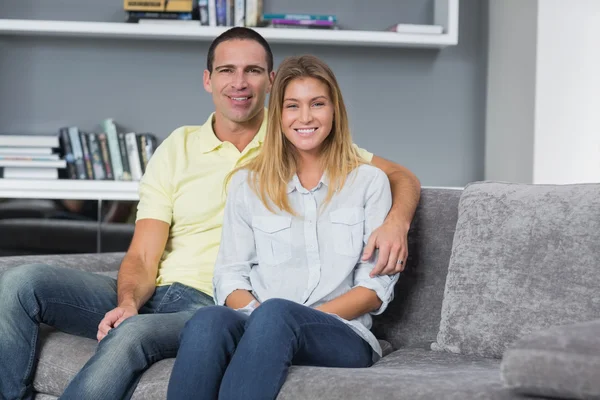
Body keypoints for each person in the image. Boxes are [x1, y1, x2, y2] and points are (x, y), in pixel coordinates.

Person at [0, 27, 419, 400]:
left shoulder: (304, 141)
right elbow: (146, 256)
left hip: (217, 302)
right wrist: (128, 301)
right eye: (226, 71)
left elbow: (396, 176)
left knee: (155, 332)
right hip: (180, 294)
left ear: (270, 82)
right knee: (19, 282)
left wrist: (396, 221)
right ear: (208, 79)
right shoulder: (188, 152)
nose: (239, 83)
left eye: (253, 71)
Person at [167, 54, 398, 400]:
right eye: (292, 106)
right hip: (263, 322)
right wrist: (261, 319)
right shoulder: (248, 183)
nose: (305, 117)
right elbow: (229, 275)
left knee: (277, 314)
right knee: (207, 321)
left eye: (317, 104)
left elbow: (374, 287)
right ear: (279, 115)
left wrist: (288, 318)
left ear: (334, 110)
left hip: (341, 334)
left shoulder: (369, 182)